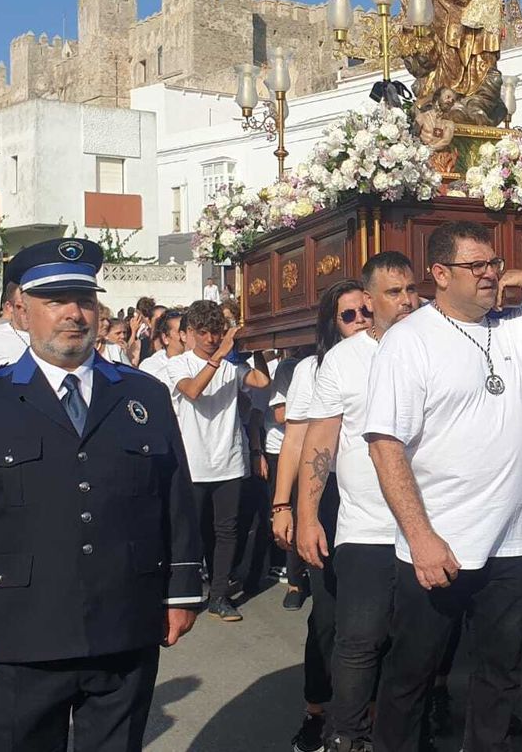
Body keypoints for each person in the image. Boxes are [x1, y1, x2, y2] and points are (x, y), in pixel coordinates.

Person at [0, 237, 204, 751]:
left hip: (124, 624)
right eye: (55, 300)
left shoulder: (142, 394)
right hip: (19, 636)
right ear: (21, 312)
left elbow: (174, 499)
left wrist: (181, 591)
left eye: (84, 299)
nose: (74, 313)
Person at [363, 221, 522, 752]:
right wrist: (421, 537)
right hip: (440, 543)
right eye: (477, 267)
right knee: (412, 676)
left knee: (499, 677)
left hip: (512, 544)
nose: (490, 275)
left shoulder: (518, 325)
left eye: (494, 264)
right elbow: (385, 446)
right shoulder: (409, 341)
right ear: (440, 274)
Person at [278, 254, 418, 752]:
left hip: (429, 525)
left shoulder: (435, 345)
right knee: (351, 636)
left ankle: (395, 731)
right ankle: (340, 729)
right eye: (393, 293)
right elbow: (312, 441)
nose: (405, 302)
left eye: (411, 291)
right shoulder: (340, 360)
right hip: (361, 521)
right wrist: (299, 511)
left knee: (413, 642)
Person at [269, 279, 373, 750]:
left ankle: (368, 713)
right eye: (348, 315)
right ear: (332, 323)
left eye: (364, 312)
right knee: (328, 616)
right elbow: (296, 439)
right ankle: (319, 708)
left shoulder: (398, 357)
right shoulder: (315, 369)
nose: (359, 321)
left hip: (380, 503)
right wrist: (284, 505)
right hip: (326, 499)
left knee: (376, 616)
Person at [165, 300, 271, 621]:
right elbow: (194, 391)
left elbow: (262, 382)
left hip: (228, 458)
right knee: (192, 531)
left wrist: (257, 349)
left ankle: (220, 596)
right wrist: (218, 357)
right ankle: (187, 589)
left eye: (217, 332)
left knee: (228, 531)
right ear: (191, 334)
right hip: (193, 462)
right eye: (205, 333)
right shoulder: (177, 364)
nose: (212, 338)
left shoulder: (231, 364)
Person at [138, 308, 186, 384]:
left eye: (189, 331)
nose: (186, 337)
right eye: (180, 332)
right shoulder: (150, 366)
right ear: (165, 338)